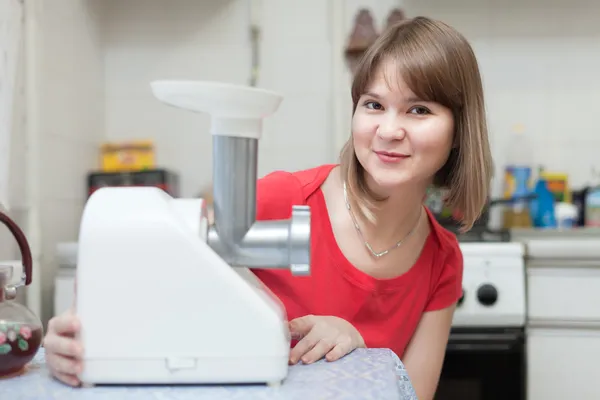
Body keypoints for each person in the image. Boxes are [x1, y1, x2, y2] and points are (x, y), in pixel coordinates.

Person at [43, 16, 492, 400]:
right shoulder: (280, 200)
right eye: (373, 104)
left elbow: (408, 392)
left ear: (458, 129)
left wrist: (359, 347)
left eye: (418, 110)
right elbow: (144, 276)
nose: (388, 130)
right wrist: (77, 333)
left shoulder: (442, 260)